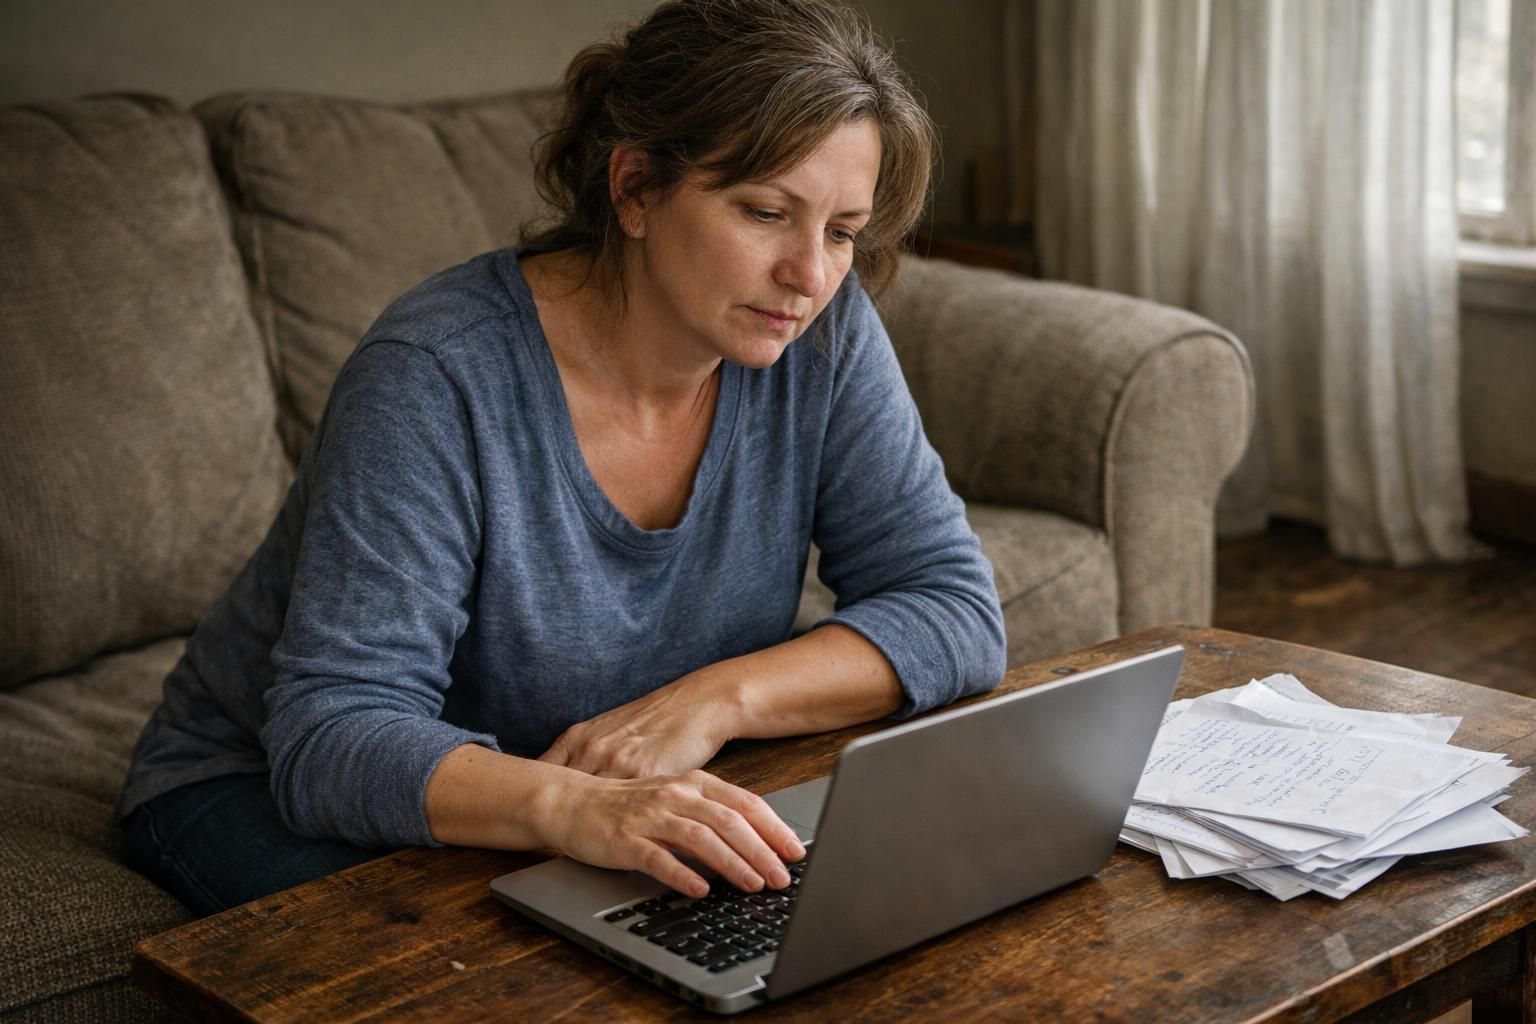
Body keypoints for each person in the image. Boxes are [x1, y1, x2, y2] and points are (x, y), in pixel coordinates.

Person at [115, 0, 1006, 917]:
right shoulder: (437, 373)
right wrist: (577, 807)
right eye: (766, 212)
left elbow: (953, 608)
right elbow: (331, 734)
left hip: (567, 791)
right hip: (258, 789)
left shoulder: (822, 336)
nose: (810, 275)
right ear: (633, 190)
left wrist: (715, 701)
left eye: (842, 230)